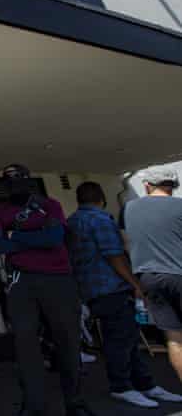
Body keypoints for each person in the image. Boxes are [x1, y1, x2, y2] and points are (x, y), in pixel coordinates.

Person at [0, 163, 93, 416]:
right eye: (10, 179)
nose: (15, 183)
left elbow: (54, 238)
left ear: (28, 179)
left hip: (58, 279)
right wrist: (33, 236)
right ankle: (34, 405)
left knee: (68, 341)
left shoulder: (49, 205)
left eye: (20, 178)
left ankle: (75, 403)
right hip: (21, 281)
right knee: (25, 345)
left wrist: (13, 236)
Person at [68, 181, 182, 408]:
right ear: (101, 198)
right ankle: (122, 386)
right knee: (120, 339)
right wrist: (135, 283)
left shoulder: (72, 221)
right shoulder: (100, 219)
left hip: (90, 288)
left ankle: (145, 384)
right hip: (111, 286)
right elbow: (114, 255)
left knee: (126, 336)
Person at [121, 166, 182, 383]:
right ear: (173, 186)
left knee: (175, 339)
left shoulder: (128, 209)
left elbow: (126, 243)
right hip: (179, 273)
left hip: (149, 278)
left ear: (147, 186)